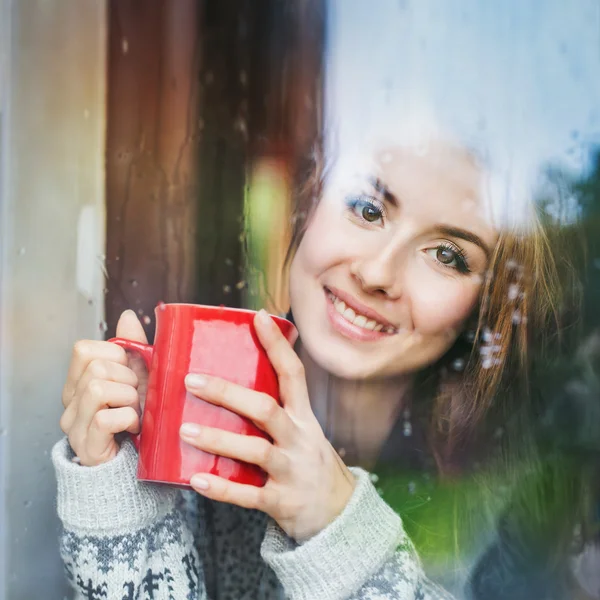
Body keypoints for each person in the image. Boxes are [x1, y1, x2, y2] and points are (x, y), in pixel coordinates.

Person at [53, 137, 562, 599]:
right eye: (366, 209)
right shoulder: (192, 448)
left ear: (488, 308)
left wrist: (342, 539)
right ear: (307, 205)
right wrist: (115, 498)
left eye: (447, 254)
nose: (376, 273)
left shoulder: (509, 518)